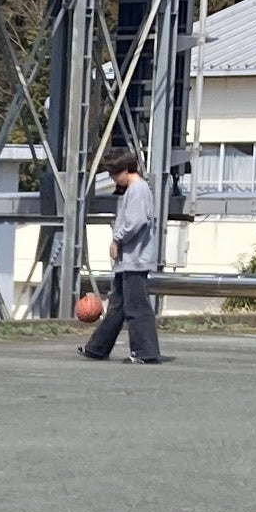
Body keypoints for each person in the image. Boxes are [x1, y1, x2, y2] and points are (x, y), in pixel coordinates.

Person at [76, 157, 166, 367]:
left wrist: (117, 239)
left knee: (137, 306)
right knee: (118, 306)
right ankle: (97, 348)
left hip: (135, 258)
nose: (114, 179)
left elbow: (136, 222)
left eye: (115, 174)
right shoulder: (135, 190)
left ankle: (145, 352)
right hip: (128, 259)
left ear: (126, 171)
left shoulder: (137, 190)